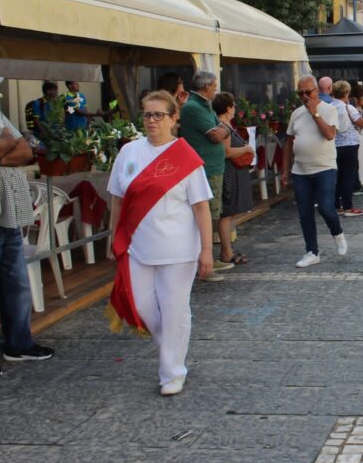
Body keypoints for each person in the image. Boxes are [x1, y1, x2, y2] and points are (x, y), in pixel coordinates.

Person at [108, 90, 213, 395]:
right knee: (141, 308)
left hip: (178, 249)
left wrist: (207, 249)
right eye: (147, 114)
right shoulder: (128, 152)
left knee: (174, 308)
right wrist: (112, 238)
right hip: (137, 246)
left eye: (158, 115)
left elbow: (201, 207)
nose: (152, 121)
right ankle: (172, 345)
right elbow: (117, 199)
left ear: (174, 119)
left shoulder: (186, 158)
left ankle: (172, 372)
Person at [0, 64, 54, 379]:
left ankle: (18, 344)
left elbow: (25, 151)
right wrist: (2, 145)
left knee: (16, 285)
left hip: (8, 213)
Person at [281, 76, 347, 268]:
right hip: (300, 170)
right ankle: (312, 251)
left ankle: (338, 233)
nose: (304, 96)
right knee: (304, 212)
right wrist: (285, 169)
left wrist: (315, 114)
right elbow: (289, 142)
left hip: (324, 168)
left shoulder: (329, 109)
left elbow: (329, 135)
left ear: (316, 91)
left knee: (326, 207)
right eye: (300, 93)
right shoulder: (296, 114)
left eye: (307, 92)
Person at [178, 70, 233, 279]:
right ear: (206, 86)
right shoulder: (194, 107)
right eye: (214, 85)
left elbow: (220, 129)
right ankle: (204, 262)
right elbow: (217, 135)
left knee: (212, 212)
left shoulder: (203, 105)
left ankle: (207, 258)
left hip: (212, 166)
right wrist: (227, 126)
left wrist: (223, 127)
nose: (216, 89)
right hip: (204, 167)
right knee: (206, 214)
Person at [211, 92, 254, 266]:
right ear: (229, 107)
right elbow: (227, 152)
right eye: (234, 105)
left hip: (235, 173)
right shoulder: (223, 126)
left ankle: (226, 249)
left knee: (231, 213)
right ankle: (227, 252)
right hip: (229, 173)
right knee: (227, 214)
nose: (235, 108)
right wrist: (247, 149)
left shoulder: (226, 125)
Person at [331, 80, 363, 217]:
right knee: (348, 176)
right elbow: (360, 123)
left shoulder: (329, 106)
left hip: (334, 144)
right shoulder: (348, 108)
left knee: (336, 176)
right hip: (349, 144)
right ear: (347, 93)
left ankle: (336, 205)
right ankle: (348, 206)